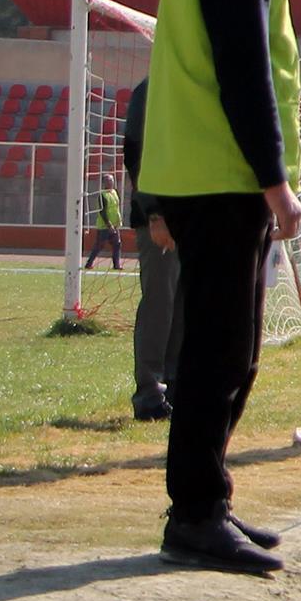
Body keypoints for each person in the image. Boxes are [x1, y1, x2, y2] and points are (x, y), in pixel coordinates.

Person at [137, 0, 301, 575]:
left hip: (209, 175)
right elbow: (246, 71)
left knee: (230, 346)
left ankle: (208, 499)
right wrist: (274, 181)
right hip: (218, 178)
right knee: (219, 348)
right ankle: (195, 513)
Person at [123, 78, 182, 422]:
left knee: (182, 305)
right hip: (159, 219)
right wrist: (155, 213)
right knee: (160, 304)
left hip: (191, 217)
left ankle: (174, 385)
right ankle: (150, 392)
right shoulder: (149, 91)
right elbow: (137, 153)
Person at [85, 174, 123, 269]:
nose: (111, 183)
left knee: (117, 244)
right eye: (109, 181)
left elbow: (116, 208)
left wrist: (118, 221)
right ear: (104, 183)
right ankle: (89, 263)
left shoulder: (114, 192)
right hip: (104, 226)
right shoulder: (102, 195)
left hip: (114, 224)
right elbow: (102, 212)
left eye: (112, 181)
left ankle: (116, 265)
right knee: (99, 245)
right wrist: (109, 225)